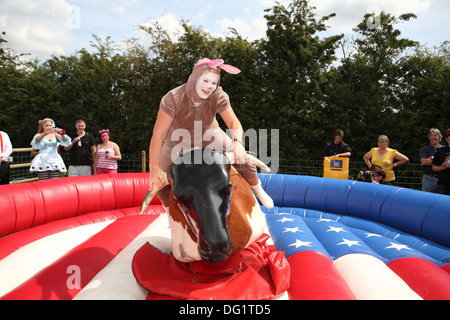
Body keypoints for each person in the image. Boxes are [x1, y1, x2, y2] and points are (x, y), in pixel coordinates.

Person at [148, 58, 274, 210]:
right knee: (158, 184)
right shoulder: (174, 98)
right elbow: (158, 134)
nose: (209, 87)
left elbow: (234, 123)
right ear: (195, 78)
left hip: (211, 134)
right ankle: (170, 212)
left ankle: (258, 189)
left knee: (242, 157)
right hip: (177, 141)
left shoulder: (218, 95)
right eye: (205, 80)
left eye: (214, 83)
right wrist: (154, 167)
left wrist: (237, 142)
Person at [420, 128, 444, 192]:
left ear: (439, 137)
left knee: (440, 199)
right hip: (428, 179)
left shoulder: (445, 149)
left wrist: (430, 159)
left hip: (442, 180)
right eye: (431, 135)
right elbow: (423, 162)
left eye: (435, 135)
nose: (433, 137)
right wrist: (437, 160)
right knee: (426, 199)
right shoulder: (424, 149)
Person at [432, 129, 450, 195]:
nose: (448, 137)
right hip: (443, 183)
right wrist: (441, 167)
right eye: (447, 136)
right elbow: (434, 167)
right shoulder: (441, 150)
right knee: (439, 202)